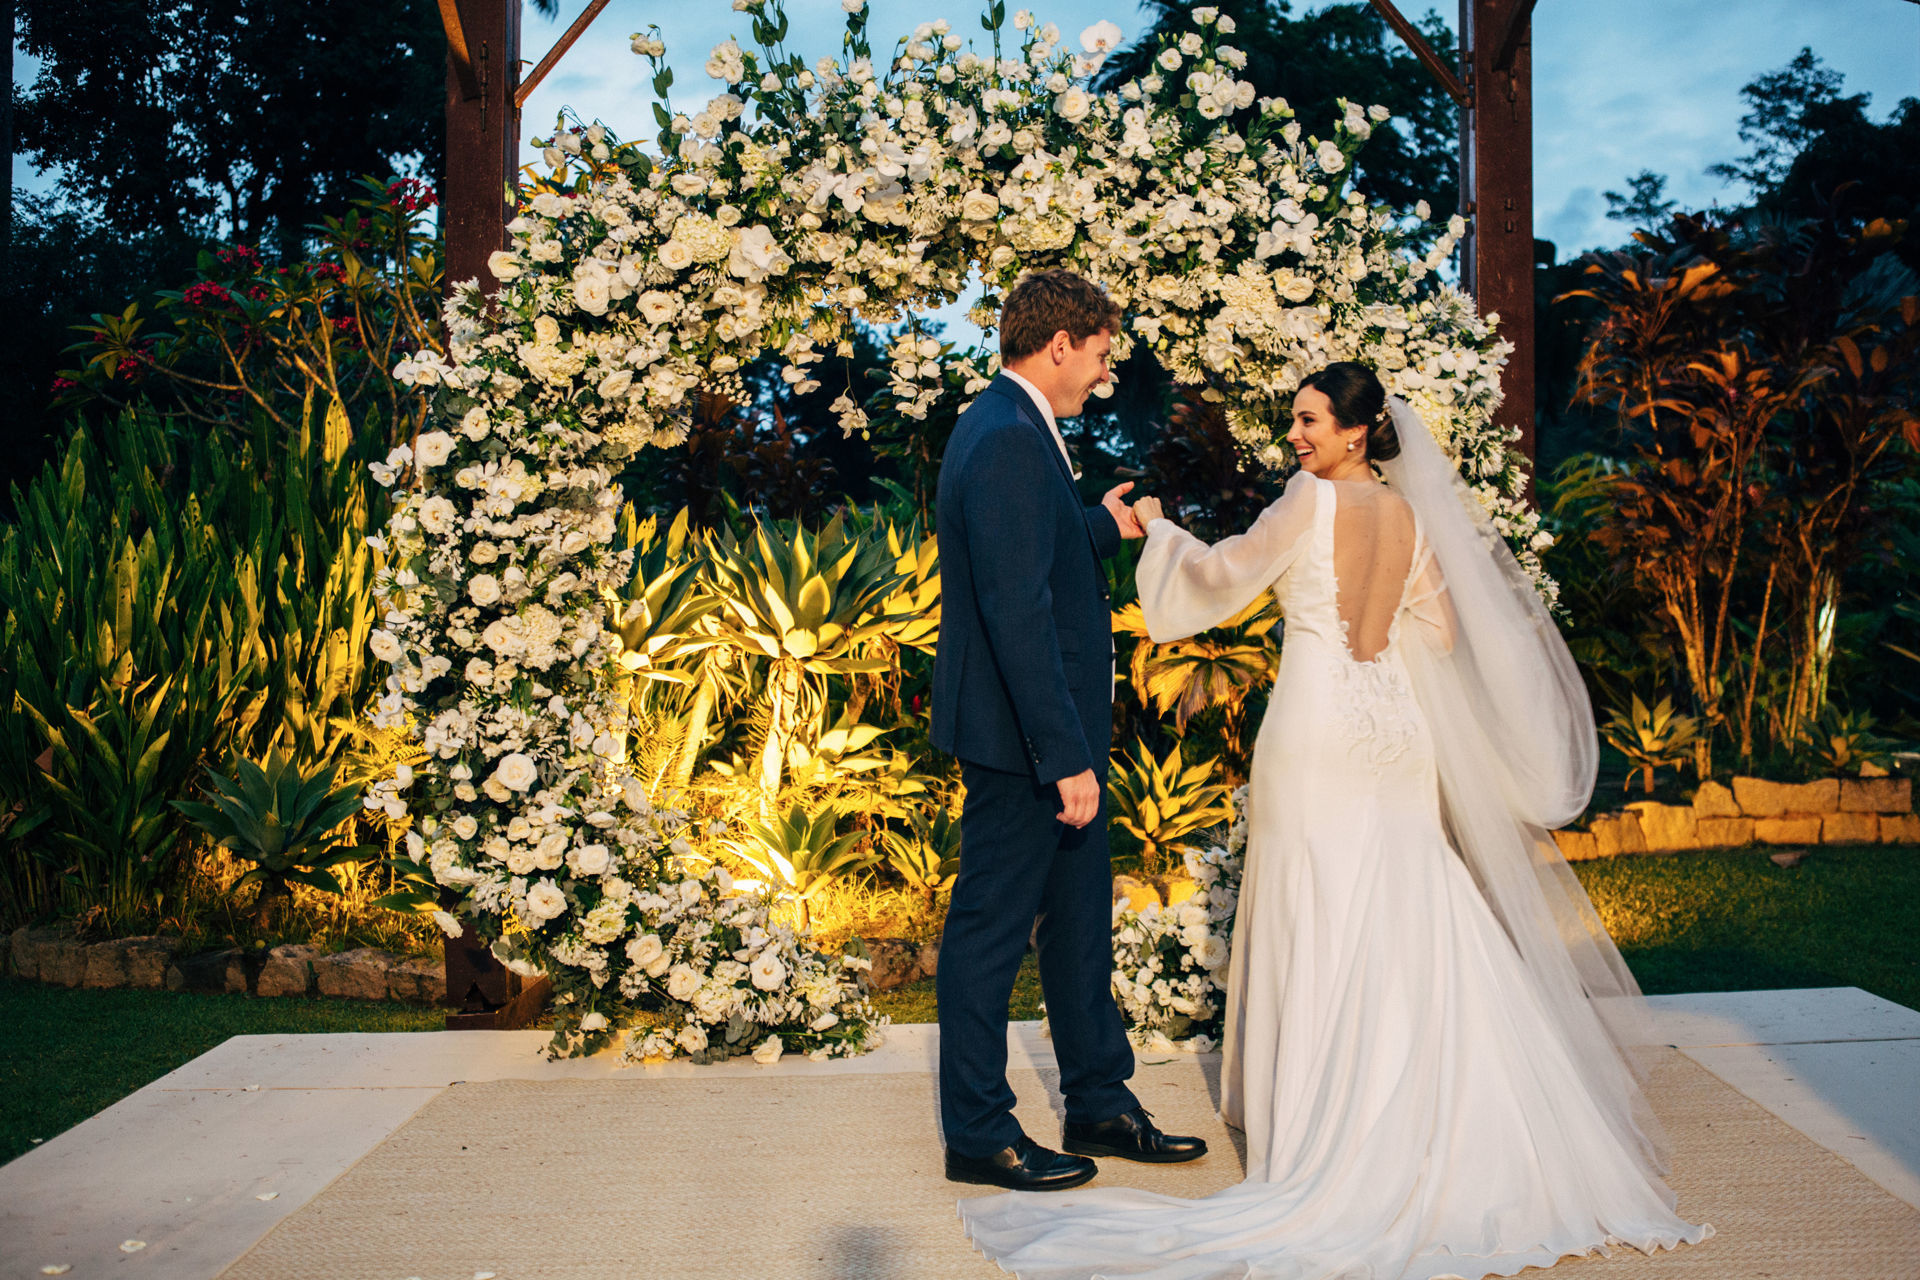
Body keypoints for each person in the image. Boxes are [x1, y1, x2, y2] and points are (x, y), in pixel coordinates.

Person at [957, 362, 1714, 1276]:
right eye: (1294, 422)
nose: (1296, 436)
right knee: (1408, 903)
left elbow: (1218, 578)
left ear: (1356, 432)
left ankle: (1323, 1122)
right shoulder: (1406, 514)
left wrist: (1157, 532)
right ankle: (1449, 1116)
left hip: (1318, 731)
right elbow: (1436, 634)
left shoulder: (1305, 502)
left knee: (1318, 908)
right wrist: (1372, 637)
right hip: (1394, 732)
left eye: (1310, 421)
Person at [932, 269, 1208, 1192]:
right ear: (1059, 346)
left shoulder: (1012, 428)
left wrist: (1101, 523)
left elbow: (1031, 545)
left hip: (1052, 736)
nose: (1102, 374)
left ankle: (1098, 1099)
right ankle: (978, 1132)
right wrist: (1064, 760)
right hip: (1025, 746)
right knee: (989, 932)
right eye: (1096, 355)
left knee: (1082, 924)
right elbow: (1015, 609)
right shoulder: (1009, 438)